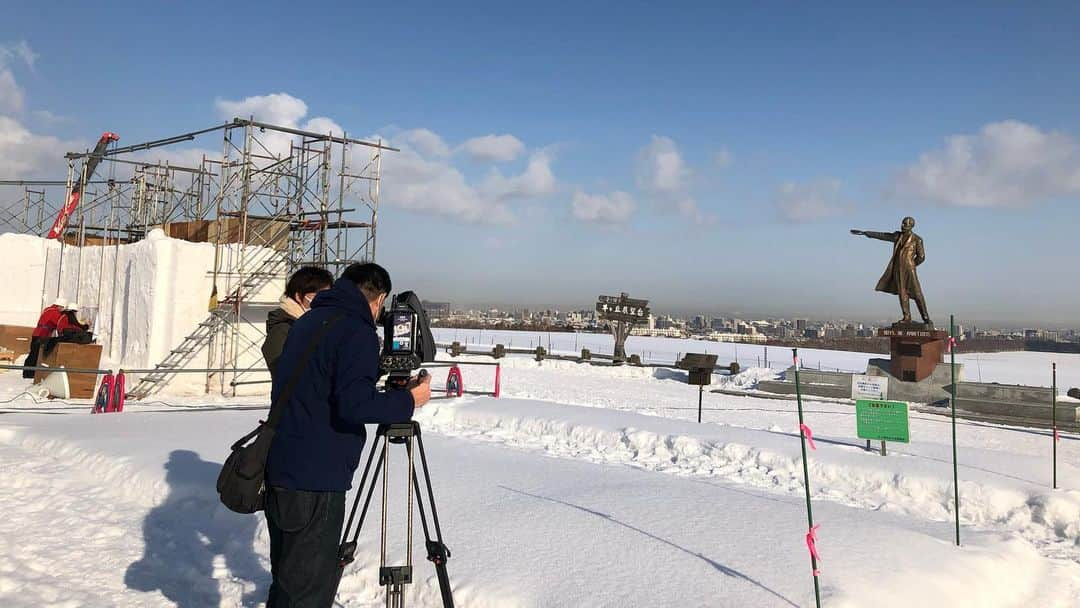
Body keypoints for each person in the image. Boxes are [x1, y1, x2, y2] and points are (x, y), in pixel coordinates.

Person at [263, 262, 432, 607]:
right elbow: (354, 405)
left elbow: (325, 389)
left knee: (287, 582)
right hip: (316, 480)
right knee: (307, 591)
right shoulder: (355, 331)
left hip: (282, 468)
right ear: (378, 298)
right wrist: (407, 401)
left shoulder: (308, 321)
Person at [850, 216, 932, 326]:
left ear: (911, 226)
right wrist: (866, 233)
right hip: (898, 270)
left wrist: (912, 265)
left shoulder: (917, 239)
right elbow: (883, 236)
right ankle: (906, 317)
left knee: (917, 294)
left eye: (905, 224)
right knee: (902, 293)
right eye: (902, 223)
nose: (902, 225)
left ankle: (926, 318)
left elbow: (921, 257)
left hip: (909, 270)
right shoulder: (897, 236)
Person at [262, 266, 334, 380]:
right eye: (318, 297)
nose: (323, 303)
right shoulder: (283, 329)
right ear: (299, 296)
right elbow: (284, 374)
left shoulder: (315, 325)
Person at [23, 298, 66, 378]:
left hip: (37, 334)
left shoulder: (48, 309)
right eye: (62, 308)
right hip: (42, 335)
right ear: (60, 306)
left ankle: (27, 372)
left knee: (33, 353)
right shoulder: (55, 312)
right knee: (35, 354)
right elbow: (59, 323)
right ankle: (29, 373)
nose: (62, 310)